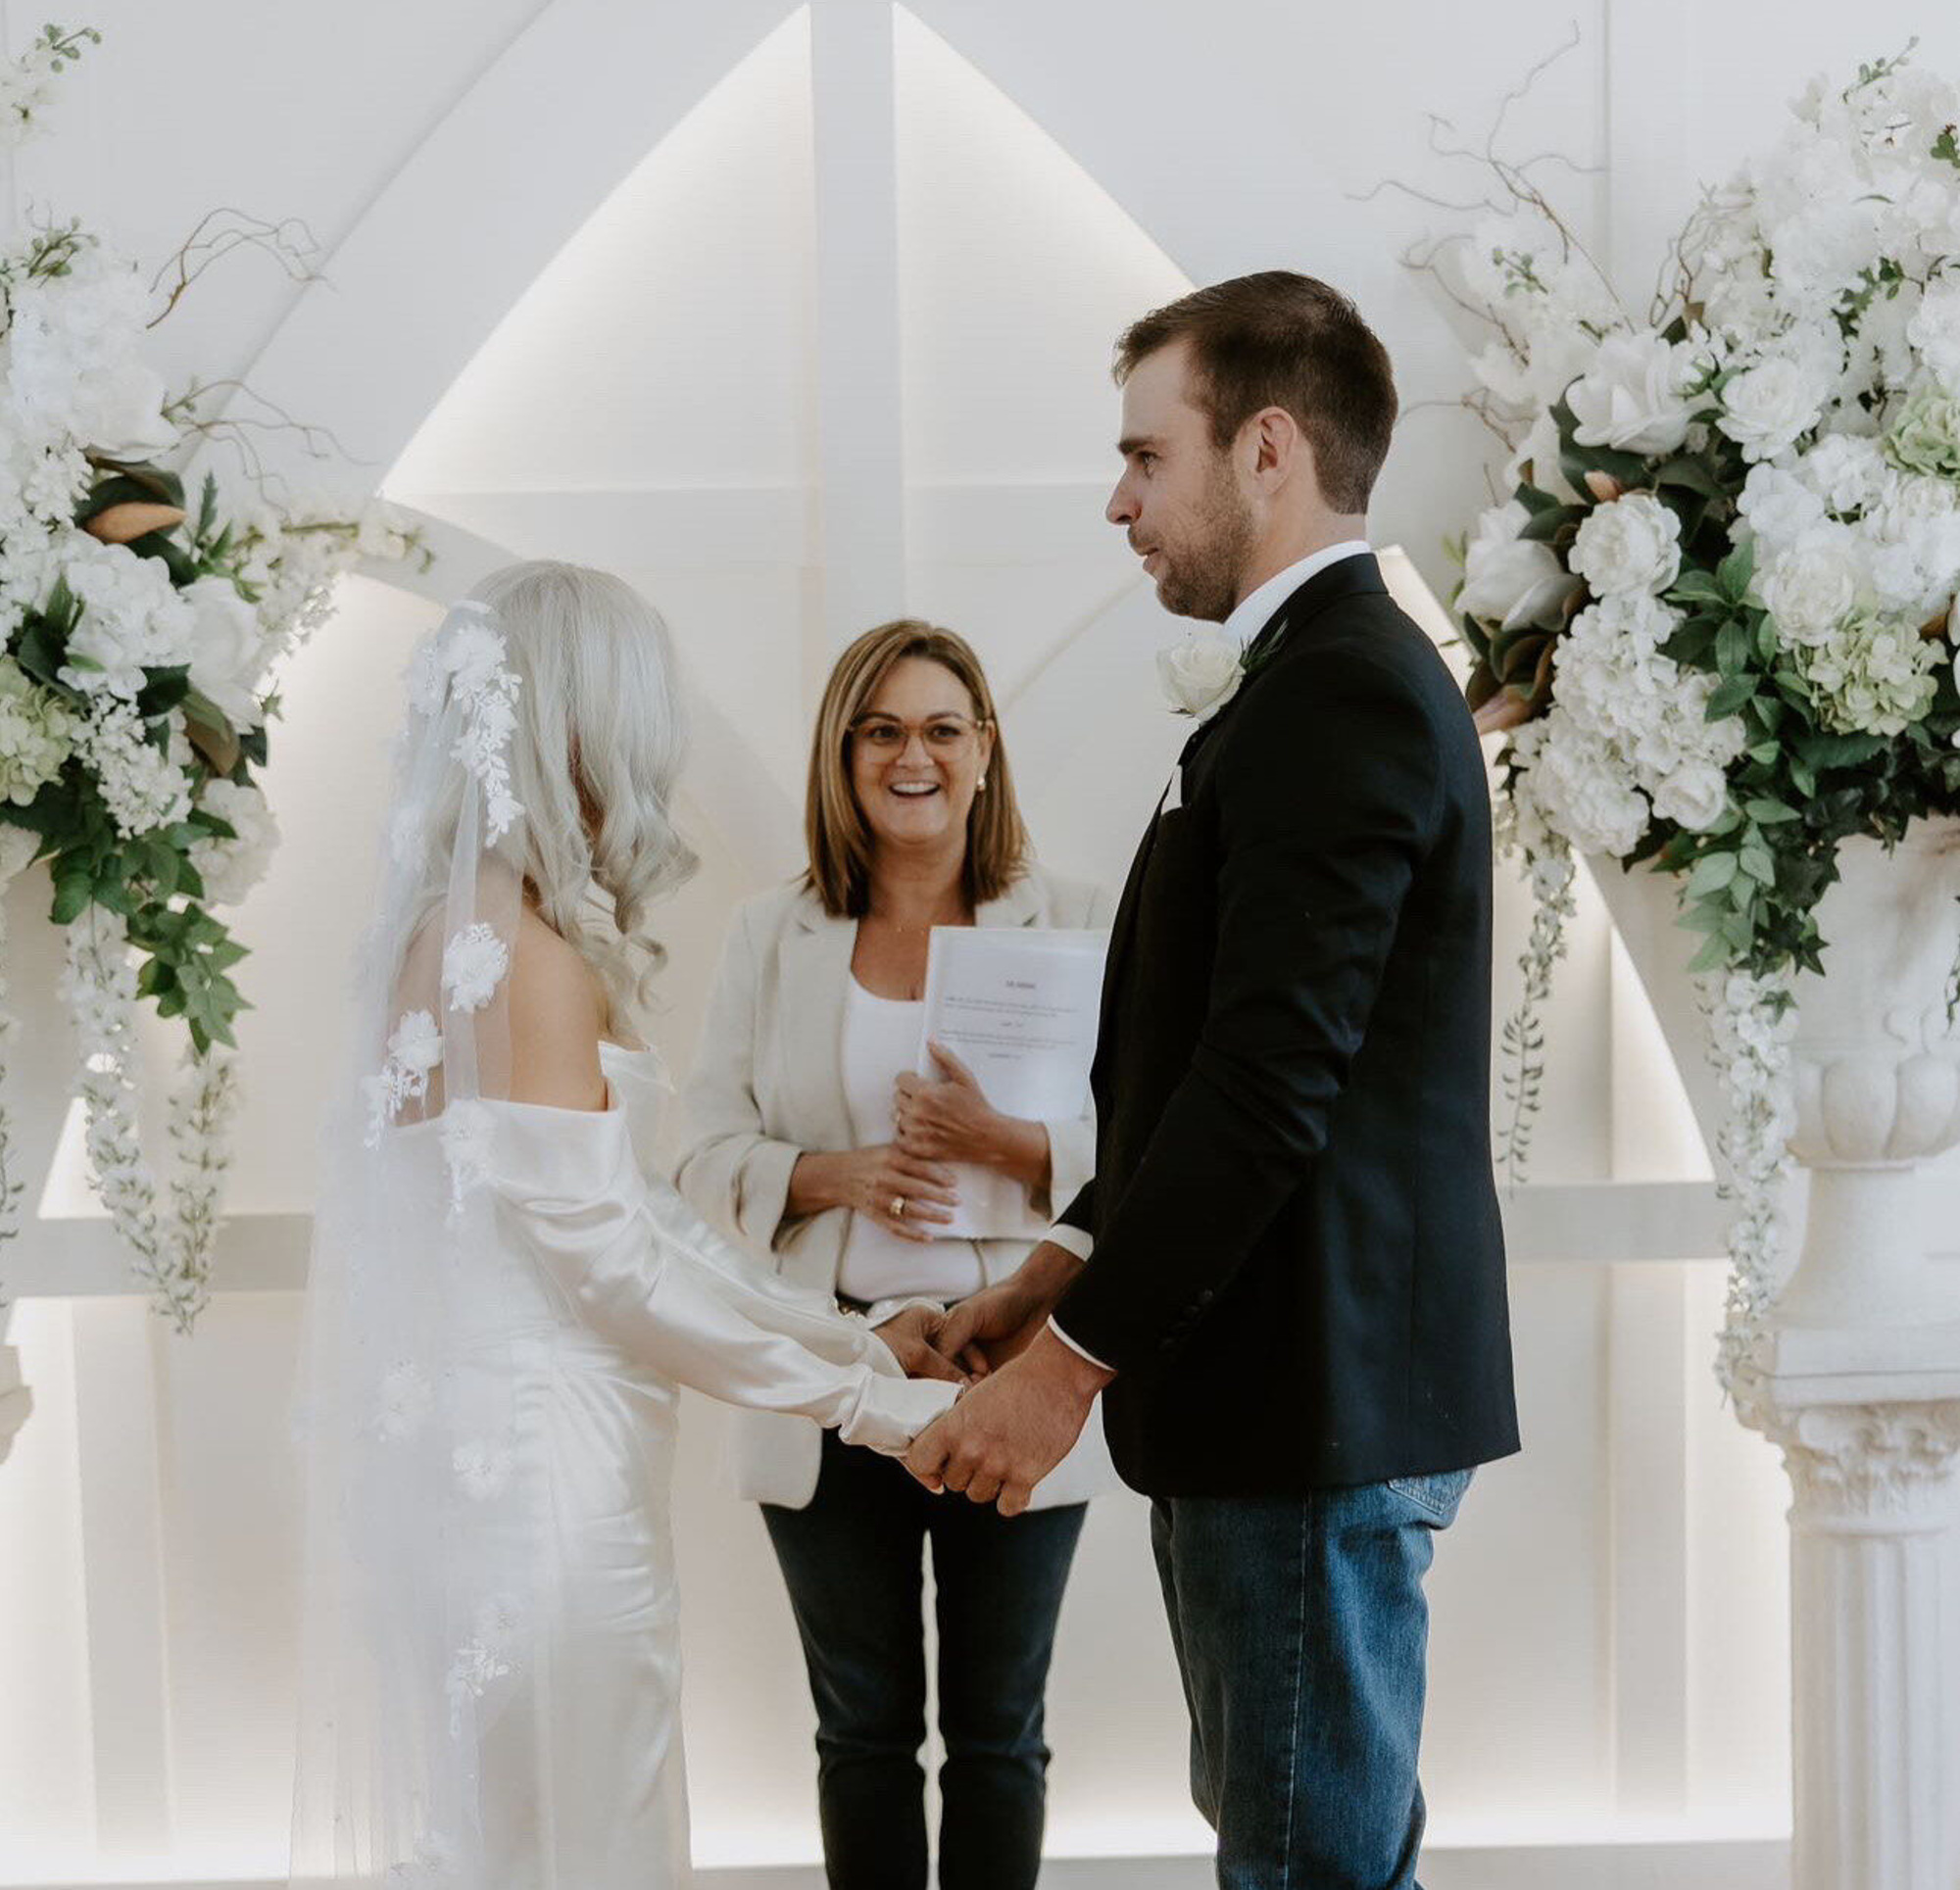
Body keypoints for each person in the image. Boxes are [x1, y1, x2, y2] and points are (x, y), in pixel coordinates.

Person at [906, 273, 1522, 1890]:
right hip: (1279, 1394)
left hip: (1309, 1402)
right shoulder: (1313, 687)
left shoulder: (1342, 697)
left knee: (1309, 1873)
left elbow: (1267, 1092)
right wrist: (1053, 1277)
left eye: (1142, 456)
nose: (1118, 503)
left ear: (1264, 450)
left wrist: (1064, 1376)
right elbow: (1204, 1079)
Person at [289, 563, 957, 1890]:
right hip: (545, 1481)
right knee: (589, 1827)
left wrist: (852, 1339)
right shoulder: (526, 951)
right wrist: (872, 1404)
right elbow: (613, 1263)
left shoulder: (444, 933)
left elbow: (625, 1211)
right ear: (585, 728)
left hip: (466, 1475)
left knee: (514, 1831)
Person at [674, 618, 1111, 1890]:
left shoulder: (1072, 921)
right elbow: (699, 1154)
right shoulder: (772, 934)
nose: (909, 755)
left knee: (999, 1738)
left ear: (985, 750)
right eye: (881, 730)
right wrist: (830, 1173)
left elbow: (1145, 1144)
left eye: (939, 728)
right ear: (842, 754)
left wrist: (1011, 1141)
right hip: (831, 1370)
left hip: (1010, 1373)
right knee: (861, 1734)